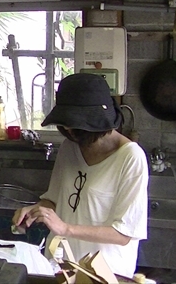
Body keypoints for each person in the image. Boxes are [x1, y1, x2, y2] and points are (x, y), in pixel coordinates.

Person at [12, 73, 148, 278]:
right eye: (65, 125)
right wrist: (35, 212)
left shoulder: (131, 158)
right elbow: (55, 200)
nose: (68, 130)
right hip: (59, 265)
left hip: (103, 273)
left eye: (75, 126)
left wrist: (65, 228)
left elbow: (123, 234)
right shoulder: (70, 146)